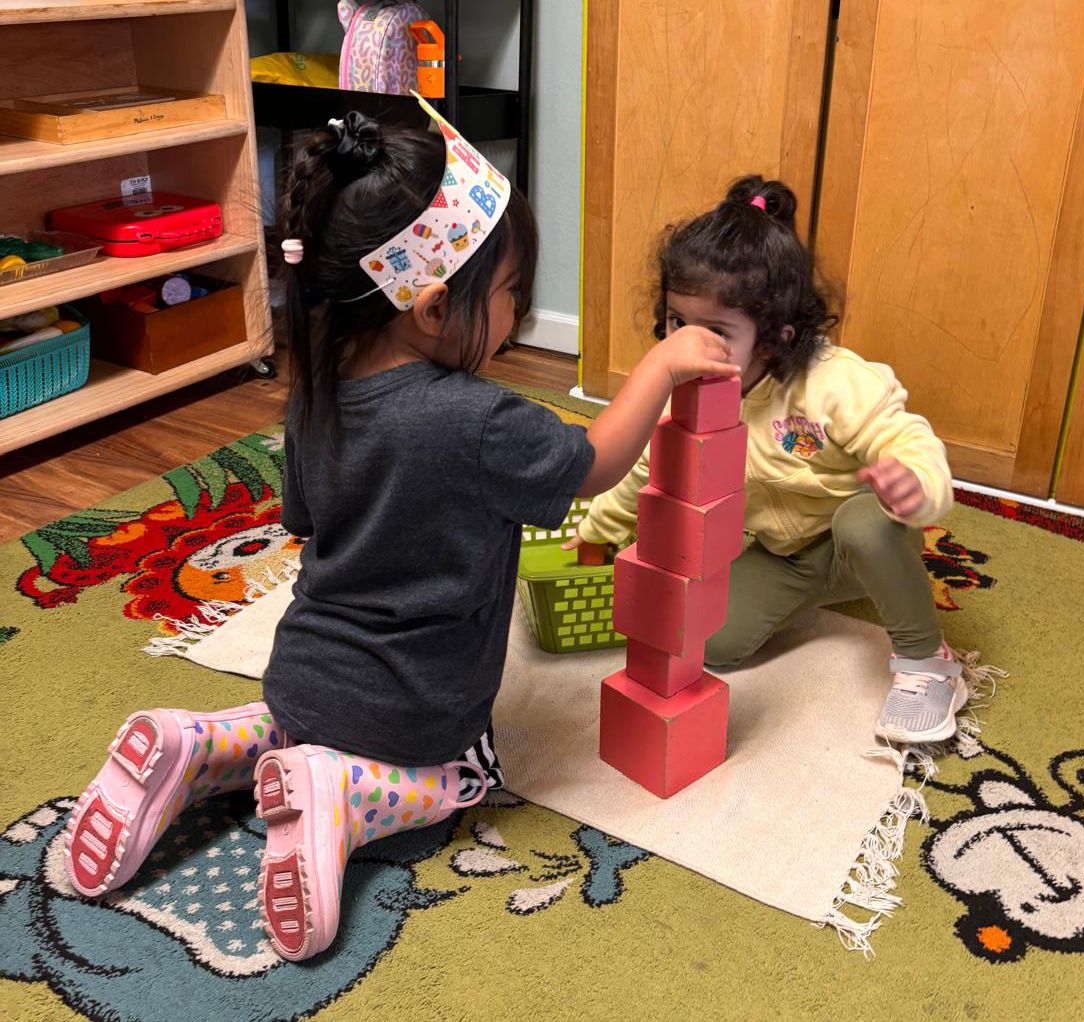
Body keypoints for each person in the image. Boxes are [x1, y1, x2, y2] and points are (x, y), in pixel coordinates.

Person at [62, 109, 737, 962]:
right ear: (434, 307)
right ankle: (344, 792)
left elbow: (305, 526)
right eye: (510, 294)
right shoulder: (484, 423)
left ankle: (207, 745)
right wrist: (662, 366)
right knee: (470, 774)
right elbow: (597, 464)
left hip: (300, 675)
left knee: (297, 728)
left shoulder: (314, 395)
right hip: (421, 711)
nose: (518, 313)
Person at [568, 176, 963, 746]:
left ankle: (929, 663)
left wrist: (913, 483)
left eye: (716, 331)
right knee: (710, 642)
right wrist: (597, 531)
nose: (688, 345)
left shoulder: (833, 383)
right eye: (677, 323)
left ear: (775, 337)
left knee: (862, 523)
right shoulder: (685, 391)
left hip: (859, 536)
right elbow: (649, 470)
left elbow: (912, 442)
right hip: (786, 554)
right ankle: (819, 593)